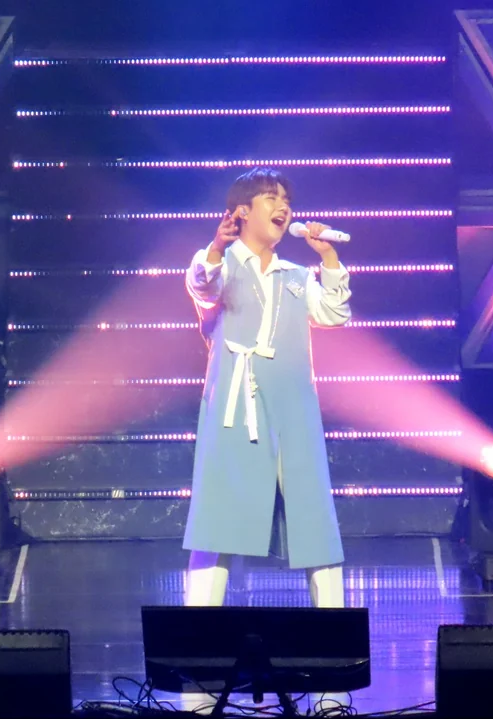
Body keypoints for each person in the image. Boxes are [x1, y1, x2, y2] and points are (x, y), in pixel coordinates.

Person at [183, 167, 351, 608]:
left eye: (286, 201)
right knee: (216, 522)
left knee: (314, 519)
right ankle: (196, 636)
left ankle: (333, 636)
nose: (283, 208)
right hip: (234, 408)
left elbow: (335, 314)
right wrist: (216, 247)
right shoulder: (218, 264)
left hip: (294, 410)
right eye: (271, 198)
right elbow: (203, 286)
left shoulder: (295, 275)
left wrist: (329, 259)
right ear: (242, 211)